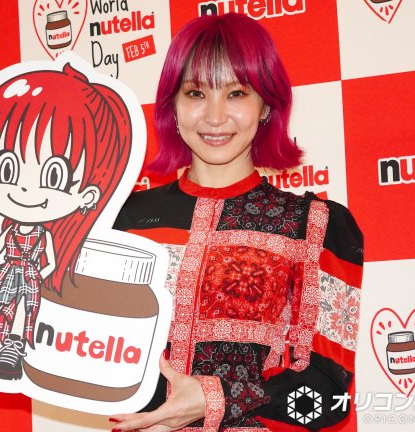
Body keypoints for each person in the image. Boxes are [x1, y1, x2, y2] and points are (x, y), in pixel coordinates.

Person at [111, 12, 363, 432]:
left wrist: (214, 398)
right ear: (173, 105)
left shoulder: (314, 225)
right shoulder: (121, 219)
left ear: (266, 105)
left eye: (236, 93)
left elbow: (326, 397)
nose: (214, 117)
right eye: (195, 93)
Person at [0, 64, 132, 380]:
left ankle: (13, 350)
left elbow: (50, 260)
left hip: (29, 278)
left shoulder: (44, 234)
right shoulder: (11, 228)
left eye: (54, 175)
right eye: (6, 169)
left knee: (22, 312)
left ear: (87, 195)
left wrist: (39, 278)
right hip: (8, 272)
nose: (25, 189)